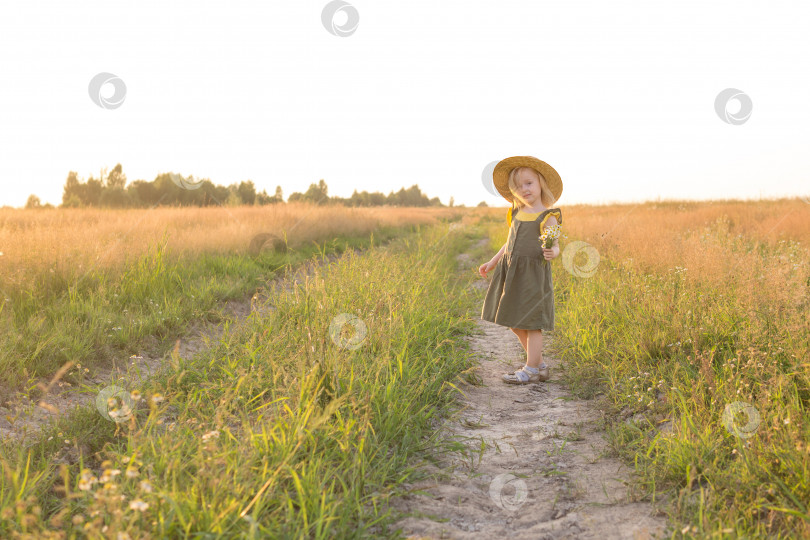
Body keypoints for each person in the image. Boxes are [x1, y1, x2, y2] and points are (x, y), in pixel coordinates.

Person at [478, 156, 563, 384]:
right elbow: (510, 242)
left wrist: (552, 253)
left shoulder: (549, 217)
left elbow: (555, 245)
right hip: (513, 272)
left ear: (540, 184)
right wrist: (494, 261)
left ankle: (531, 369)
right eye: (518, 186)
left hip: (534, 274)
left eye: (529, 183)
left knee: (531, 322)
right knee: (515, 322)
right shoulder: (516, 213)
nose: (524, 189)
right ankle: (539, 364)